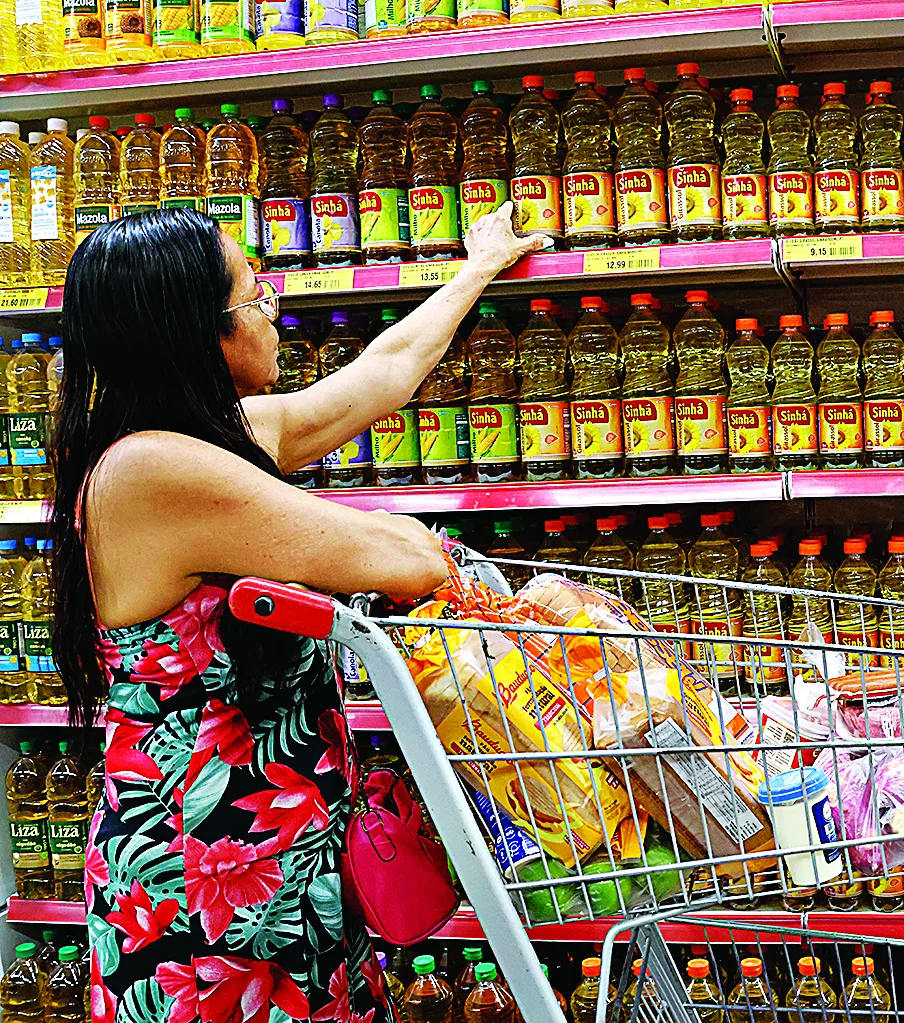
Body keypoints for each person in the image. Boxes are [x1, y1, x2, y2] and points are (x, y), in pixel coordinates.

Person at [50, 204, 548, 1023]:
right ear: (195, 329)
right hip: (209, 883)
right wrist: (438, 558)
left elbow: (385, 372)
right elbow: (401, 558)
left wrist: (478, 266)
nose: (273, 310)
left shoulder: (204, 439)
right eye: (255, 297)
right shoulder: (151, 470)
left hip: (279, 857)